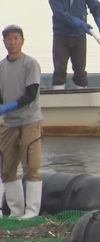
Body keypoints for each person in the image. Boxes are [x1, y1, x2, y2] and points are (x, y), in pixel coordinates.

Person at [0, 25, 43, 218]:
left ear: (22, 40)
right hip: (8, 123)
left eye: (16, 38)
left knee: (31, 164)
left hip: (29, 120)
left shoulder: (30, 64)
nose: (12, 42)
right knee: (8, 167)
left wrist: (10, 106)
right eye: (8, 39)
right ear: (4, 42)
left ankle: (32, 211)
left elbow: (31, 94)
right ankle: (16, 211)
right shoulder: (1, 66)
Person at [48, 0, 100, 89]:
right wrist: (80, 23)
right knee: (59, 70)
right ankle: (57, 93)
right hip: (61, 36)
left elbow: (95, 7)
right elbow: (60, 14)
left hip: (79, 37)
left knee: (80, 70)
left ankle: (82, 93)